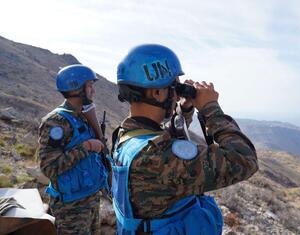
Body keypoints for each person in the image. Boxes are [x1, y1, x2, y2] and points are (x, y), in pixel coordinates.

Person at [111, 44, 258, 235]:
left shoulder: (125, 136)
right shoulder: (156, 157)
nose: (177, 93)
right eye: (174, 87)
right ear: (156, 92)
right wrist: (211, 109)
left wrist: (185, 110)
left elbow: (160, 139)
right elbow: (245, 160)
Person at [38, 64, 109, 234]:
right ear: (76, 88)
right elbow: (50, 167)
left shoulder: (83, 117)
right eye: (90, 86)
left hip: (90, 198)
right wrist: (87, 146)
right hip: (71, 207)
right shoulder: (56, 122)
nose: (94, 91)